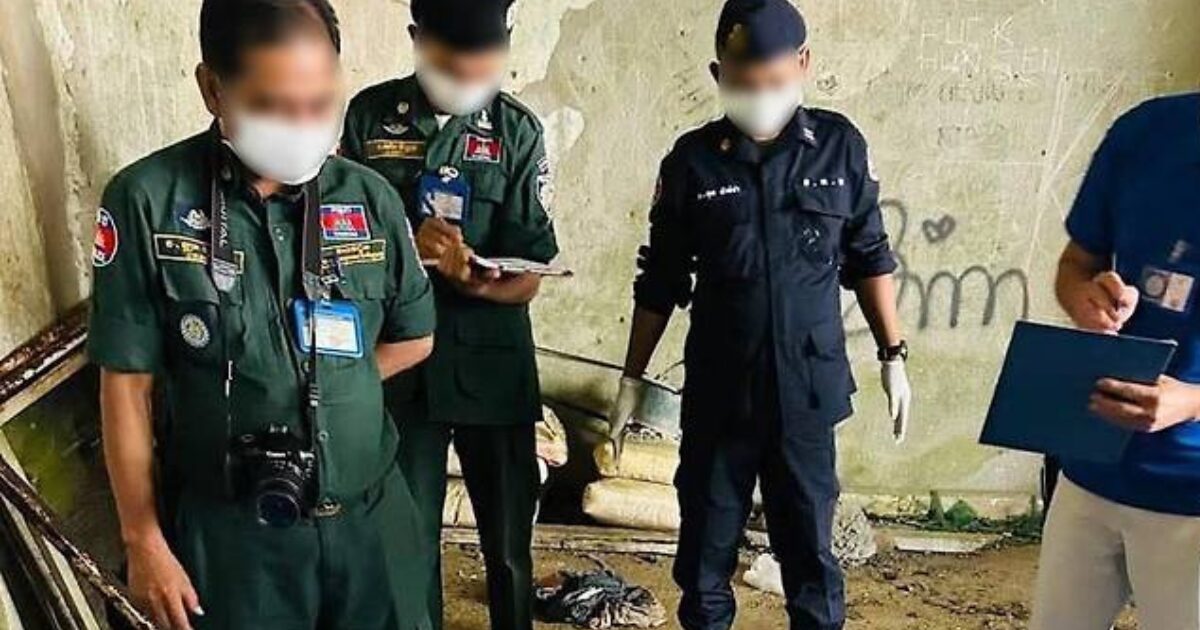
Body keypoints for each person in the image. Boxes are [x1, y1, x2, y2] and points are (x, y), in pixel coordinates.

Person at [88, 1, 437, 628]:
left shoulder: (371, 199)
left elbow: (415, 338)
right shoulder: (147, 201)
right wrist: (143, 540)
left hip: (371, 528)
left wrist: (323, 388)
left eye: (320, 103)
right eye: (274, 107)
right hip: (234, 542)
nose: (303, 125)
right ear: (213, 89)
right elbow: (126, 385)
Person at [606, 1, 912, 628]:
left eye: (774, 81)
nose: (761, 96)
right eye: (744, 84)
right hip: (721, 394)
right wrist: (631, 377)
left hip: (806, 392)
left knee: (810, 554)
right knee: (705, 553)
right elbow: (661, 279)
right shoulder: (691, 162)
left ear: (803, 63)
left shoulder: (840, 149)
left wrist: (894, 356)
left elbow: (870, 255)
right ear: (719, 74)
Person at [341, 1, 558, 629]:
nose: (468, 77)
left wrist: (479, 282)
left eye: (483, 64)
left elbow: (531, 277)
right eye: (453, 64)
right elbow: (341, 239)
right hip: (403, 365)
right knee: (408, 542)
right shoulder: (370, 116)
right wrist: (405, 244)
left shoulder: (517, 131)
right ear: (418, 40)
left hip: (494, 365)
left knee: (509, 545)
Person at [1031, 92, 1200, 630]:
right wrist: (1086, 298)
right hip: (1092, 463)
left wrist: (1192, 402)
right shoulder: (1144, 132)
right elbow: (1077, 264)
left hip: (1191, 493)